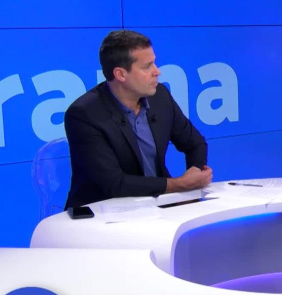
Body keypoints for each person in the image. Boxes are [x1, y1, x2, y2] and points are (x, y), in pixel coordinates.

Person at [64, 30, 212, 209]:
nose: (157, 71)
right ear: (120, 74)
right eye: (147, 66)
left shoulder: (160, 96)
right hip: (103, 212)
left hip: (158, 206)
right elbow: (114, 183)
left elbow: (195, 143)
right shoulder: (84, 114)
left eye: (154, 63)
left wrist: (194, 182)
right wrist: (178, 185)